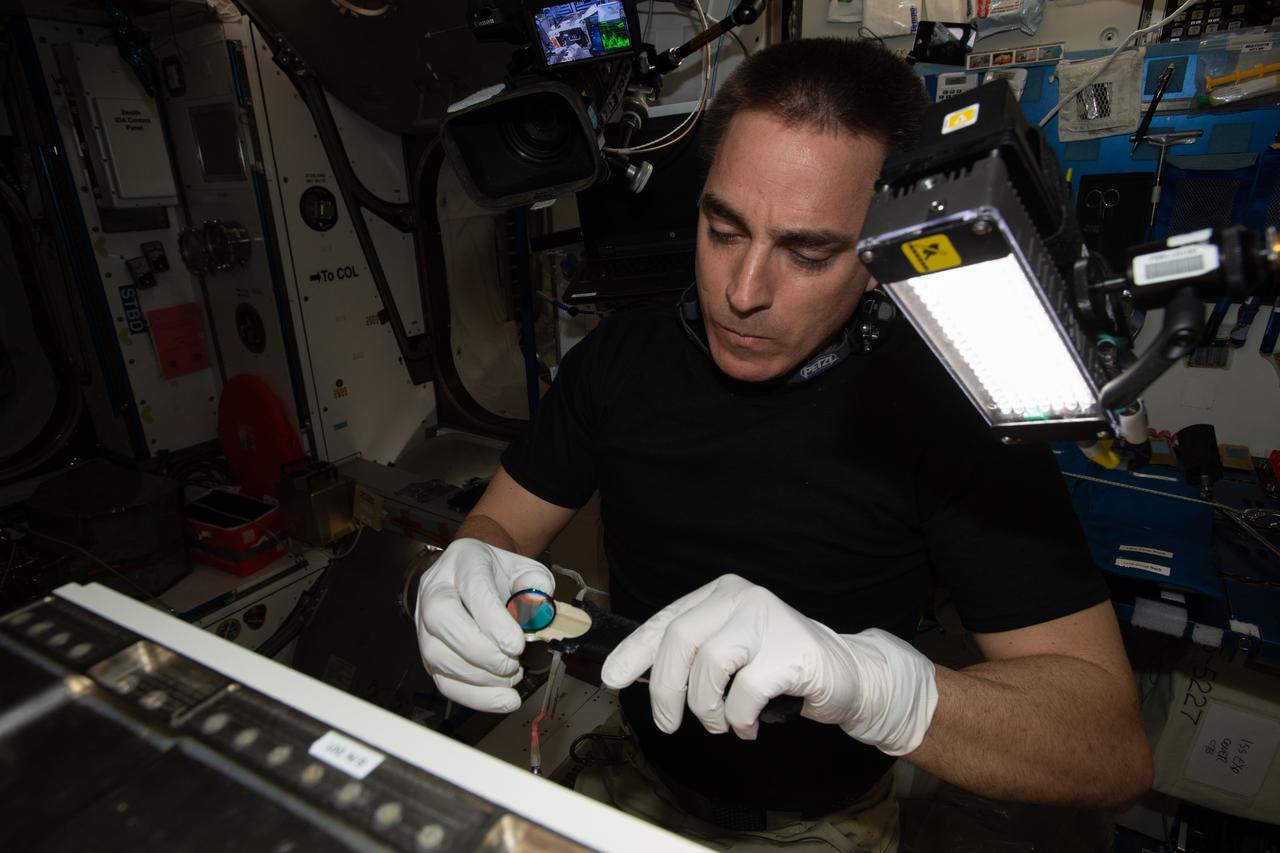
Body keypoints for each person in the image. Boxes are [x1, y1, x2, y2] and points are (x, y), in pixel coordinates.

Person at [415, 38, 1152, 851]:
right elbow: (501, 524)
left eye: (807, 253)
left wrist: (885, 692)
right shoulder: (620, 359)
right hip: (630, 777)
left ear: (877, 254)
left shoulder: (952, 410)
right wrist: (467, 569)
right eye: (723, 229)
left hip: (818, 827)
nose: (743, 292)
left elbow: (1110, 746)